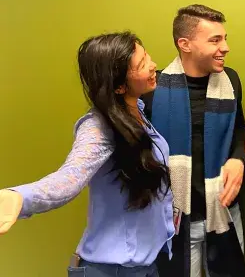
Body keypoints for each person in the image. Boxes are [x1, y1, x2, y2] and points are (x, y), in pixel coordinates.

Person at [0, 32, 174, 276]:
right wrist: (20, 197)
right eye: (143, 64)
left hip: (145, 265)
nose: (153, 65)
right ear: (119, 85)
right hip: (113, 270)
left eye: (147, 56)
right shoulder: (98, 126)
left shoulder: (137, 110)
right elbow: (69, 178)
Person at [143, 4, 245, 277]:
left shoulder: (231, 81)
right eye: (215, 40)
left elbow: (240, 129)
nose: (225, 47)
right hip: (175, 219)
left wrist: (238, 159)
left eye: (224, 38)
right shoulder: (153, 92)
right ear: (185, 44)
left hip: (224, 213)